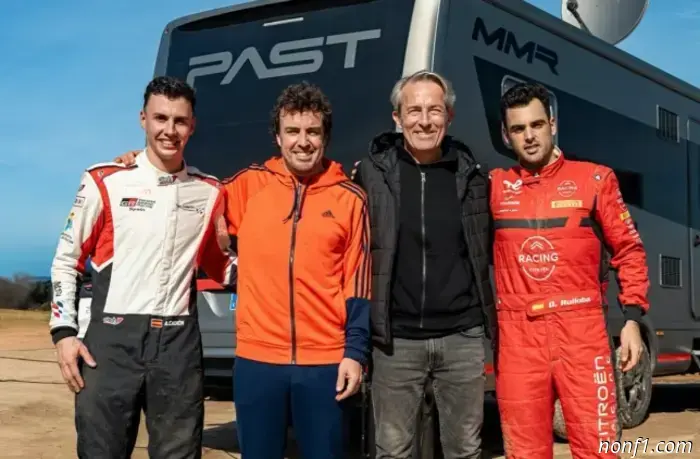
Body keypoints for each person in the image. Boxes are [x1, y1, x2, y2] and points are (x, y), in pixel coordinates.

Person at [113, 81, 372, 459]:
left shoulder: (350, 199)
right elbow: (183, 195)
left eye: (313, 132)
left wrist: (355, 352)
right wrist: (142, 165)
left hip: (326, 362)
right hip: (257, 361)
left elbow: (358, 283)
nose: (303, 141)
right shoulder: (246, 187)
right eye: (293, 131)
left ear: (325, 137)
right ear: (278, 138)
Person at [49, 75, 237, 458]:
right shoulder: (106, 180)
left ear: (193, 126)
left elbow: (222, 268)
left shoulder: (211, 191)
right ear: (143, 119)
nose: (169, 130)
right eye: (160, 118)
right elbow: (66, 260)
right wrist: (64, 333)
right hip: (111, 342)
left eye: (180, 121)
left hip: (178, 346)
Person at [490, 81, 649, 458]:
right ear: (505, 134)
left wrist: (632, 319)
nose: (529, 136)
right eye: (518, 129)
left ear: (553, 124)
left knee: (598, 448)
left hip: (582, 334)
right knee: (524, 451)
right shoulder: (495, 187)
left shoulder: (595, 179)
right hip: (517, 337)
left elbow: (628, 249)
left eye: (537, 125)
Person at [351, 70, 497, 459]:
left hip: (462, 338)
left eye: (435, 110)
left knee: (465, 449)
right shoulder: (371, 175)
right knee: (393, 450)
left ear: (449, 117)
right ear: (397, 118)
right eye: (413, 110)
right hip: (395, 341)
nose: (425, 120)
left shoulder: (474, 178)